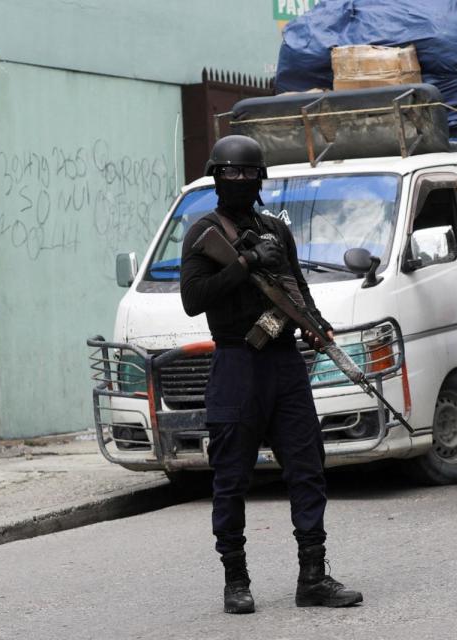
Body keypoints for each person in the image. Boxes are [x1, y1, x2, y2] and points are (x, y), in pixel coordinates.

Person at [180, 135, 362, 614]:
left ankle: (313, 577)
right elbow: (193, 300)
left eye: (248, 173)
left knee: (307, 468)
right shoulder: (203, 232)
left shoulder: (275, 232)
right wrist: (243, 264)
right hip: (237, 363)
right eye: (230, 174)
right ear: (216, 178)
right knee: (231, 478)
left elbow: (296, 289)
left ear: (261, 179)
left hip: (284, 362)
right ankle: (236, 583)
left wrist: (315, 324)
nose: (240, 181)